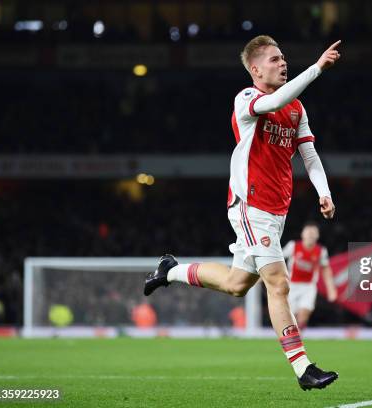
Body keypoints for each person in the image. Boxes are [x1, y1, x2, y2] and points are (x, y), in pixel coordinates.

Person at [144, 35, 341, 391]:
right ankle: (303, 369)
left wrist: (324, 193)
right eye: (275, 59)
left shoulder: (296, 109)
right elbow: (277, 99)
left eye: (285, 59)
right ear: (255, 68)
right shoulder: (247, 99)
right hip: (251, 205)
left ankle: (171, 271)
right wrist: (316, 68)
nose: (283, 64)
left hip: (276, 211)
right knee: (278, 284)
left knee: (237, 284)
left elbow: (310, 157)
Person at [282, 221, 338, 330]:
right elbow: (278, 259)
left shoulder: (321, 251)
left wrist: (331, 289)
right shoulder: (293, 246)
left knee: (304, 314)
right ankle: (291, 339)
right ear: (303, 234)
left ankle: (298, 340)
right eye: (308, 232)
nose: (310, 235)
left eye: (313, 233)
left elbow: (326, 270)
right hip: (291, 286)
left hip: (308, 287)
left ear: (317, 236)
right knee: (290, 317)